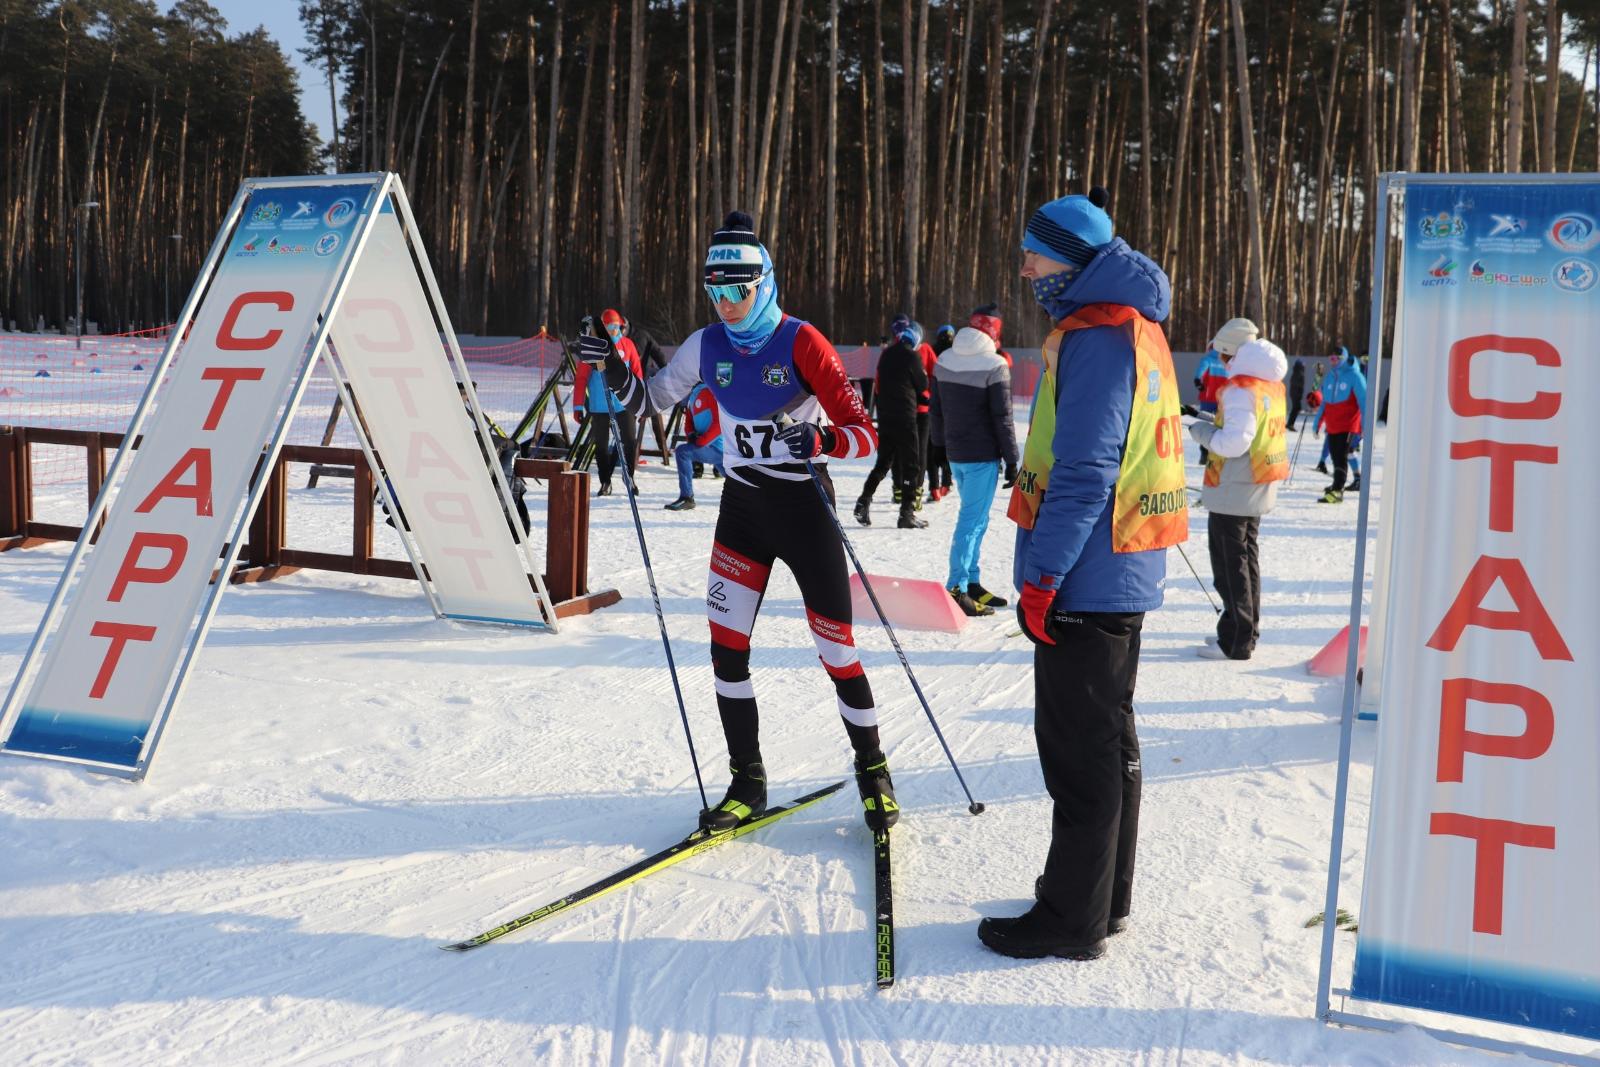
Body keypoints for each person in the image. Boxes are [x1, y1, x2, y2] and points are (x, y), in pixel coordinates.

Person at [983, 187, 1187, 963]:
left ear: (1070, 260)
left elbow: (1087, 469)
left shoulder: (1099, 334)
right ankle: (1105, 895)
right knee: (1109, 741)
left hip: (1088, 573)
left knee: (1079, 750)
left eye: (1036, 254)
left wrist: (1042, 575)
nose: (1027, 268)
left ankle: (1071, 918)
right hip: (1118, 566)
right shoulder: (1126, 322)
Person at [644, 210, 897, 835]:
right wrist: (616, 374)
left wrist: (824, 441)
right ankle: (746, 780)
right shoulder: (706, 345)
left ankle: (873, 773)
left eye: (739, 290)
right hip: (743, 513)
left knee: (837, 652)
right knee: (726, 653)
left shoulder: (802, 341)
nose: (727, 303)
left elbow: (868, 435)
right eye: (715, 291)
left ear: (766, 283)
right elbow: (651, 398)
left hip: (806, 511)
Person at [1186, 337, 1289, 661]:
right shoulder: (1268, 388)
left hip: (1234, 491)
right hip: (1256, 487)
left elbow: (1233, 443)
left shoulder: (1241, 390)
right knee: (1246, 563)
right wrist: (1202, 417)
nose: (1227, 361)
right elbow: (1244, 428)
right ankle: (1242, 629)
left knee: (1230, 567)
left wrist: (1198, 431)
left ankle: (1235, 641)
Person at [929, 322, 1019, 617]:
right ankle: (957, 586)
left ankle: (972, 580)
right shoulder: (995, 366)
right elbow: (1002, 416)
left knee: (976, 519)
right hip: (981, 456)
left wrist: (940, 447)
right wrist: (1012, 459)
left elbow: (937, 410)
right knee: (971, 521)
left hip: (957, 454)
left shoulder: (945, 361)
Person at [853, 315, 928, 529]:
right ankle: (907, 513)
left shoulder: (886, 355)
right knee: (911, 465)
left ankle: (863, 501)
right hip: (905, 416)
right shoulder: (912, 356)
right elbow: (922, 384)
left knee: (883, 463)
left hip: (885, 417)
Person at [573, 311, 644, 495]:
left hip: (624, 403)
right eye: (609, 327)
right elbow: (581, 378)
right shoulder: (593, 346)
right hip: (600, 405)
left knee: (629, 441)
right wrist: (577, 405)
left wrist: (640, 400)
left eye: (616, 327)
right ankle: (605, 482)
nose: (613, 331)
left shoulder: (627, 345)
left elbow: (637, 372)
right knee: (601, 446)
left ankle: (629, 477)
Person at [1200, 320, 1257, 465]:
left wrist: (1202, 433)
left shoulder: (1239, 391)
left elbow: (1234, 443)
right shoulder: (1265, 382)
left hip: (1234, 477)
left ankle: (1204, 452)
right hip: (1257, 472)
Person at [1314, 346, 1366, 503]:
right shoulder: (1330, 376)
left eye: (1336, 359)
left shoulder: (1354, 376)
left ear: (1343, 359)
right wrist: (1317, 423)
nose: (1333, 362)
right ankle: (1336, 484)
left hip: (1349, 425)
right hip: (1333, 426)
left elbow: (1364, 402)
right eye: (1331, 359)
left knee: (1342, 455)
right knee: (1336, 456)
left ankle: (1338, 490)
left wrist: (1365, 425)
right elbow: (1324, 403)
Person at [664, 381, 725, 511]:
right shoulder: (694, 394)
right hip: (710, 447)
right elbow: (689, 420)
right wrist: (691, 435)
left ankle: (687, 497)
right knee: (736, 480)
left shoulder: (710, 392)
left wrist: (700, 441)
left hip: (719, 449)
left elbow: (719, 424)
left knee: (682, 452)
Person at [924, 325, 957, 501]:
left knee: (932, 446)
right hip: (952, 407)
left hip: (932, 405)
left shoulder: (931, 351)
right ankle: (946, 482)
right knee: (948, 445)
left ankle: (934, 487)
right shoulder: (958, 354)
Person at [1286, 358, 1306, 431]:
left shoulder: (1297, 372)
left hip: (1295, 394)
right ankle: (1290, 424)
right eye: (1303, 365)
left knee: (1296, 408)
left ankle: (1290, 423)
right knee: (1296, 408)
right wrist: (1298, 394)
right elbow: (1297, 384)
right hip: (1296, 394)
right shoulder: (1299, 373)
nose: (1304, 366)